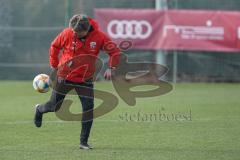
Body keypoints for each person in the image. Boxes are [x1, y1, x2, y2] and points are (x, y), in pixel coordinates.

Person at [34, 14, 120, 150]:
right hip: (64, 76)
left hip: (85, 79)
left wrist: (111, 67)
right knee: (54, 106)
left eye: (77, 32)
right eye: (73, 31)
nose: (74, 34)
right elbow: (54, 46)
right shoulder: (67, 33)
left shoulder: (100, 37)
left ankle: (83, 142)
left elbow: (114, 52)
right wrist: (54, 65)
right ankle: (39, 109)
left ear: (86, 30)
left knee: (88, 109)